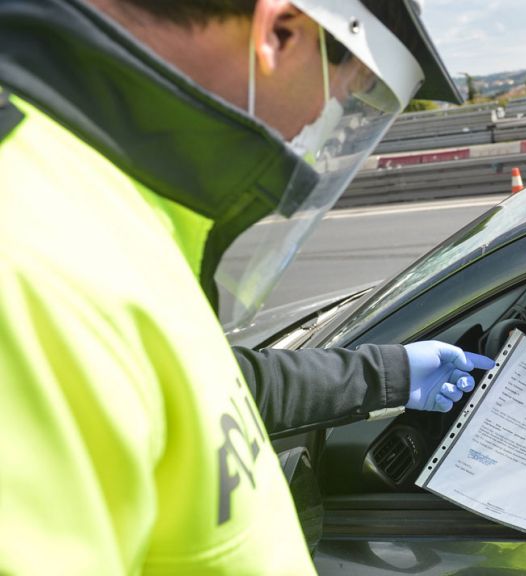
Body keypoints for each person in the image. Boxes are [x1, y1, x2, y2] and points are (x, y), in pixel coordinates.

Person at [0, 0, 491, 573]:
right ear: (278, 32)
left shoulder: (104, 188)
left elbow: (199, 383)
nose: (320, 122)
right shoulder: (30, 250)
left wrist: (392, 375)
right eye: (341, 95)